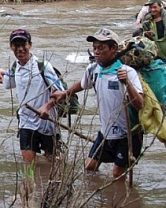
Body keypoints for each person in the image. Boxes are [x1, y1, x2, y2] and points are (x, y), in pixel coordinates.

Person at [42, 28, 144, 178]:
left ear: (113, 48)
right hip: (106, 132)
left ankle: (118, 199)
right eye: (94, 48)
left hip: (128, 134)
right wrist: (64, 93)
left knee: (117, 175)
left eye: (101, 48)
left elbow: (140, 104)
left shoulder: (127, 72)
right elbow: (82, 84)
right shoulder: (93, 70)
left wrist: (127, 83)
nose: (96, 52)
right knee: (89, 167)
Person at [0, 29, 65, 163]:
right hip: (26, 121)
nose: (19, 49)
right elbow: (6, 82)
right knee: (28, 164)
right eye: (16, 45)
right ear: (11, 47)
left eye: (23, 45)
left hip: (47, 121)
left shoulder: (43, 66)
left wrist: (47, 107)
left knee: (53, 162)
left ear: (30, 45)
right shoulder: (14, 67)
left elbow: (60, 92)